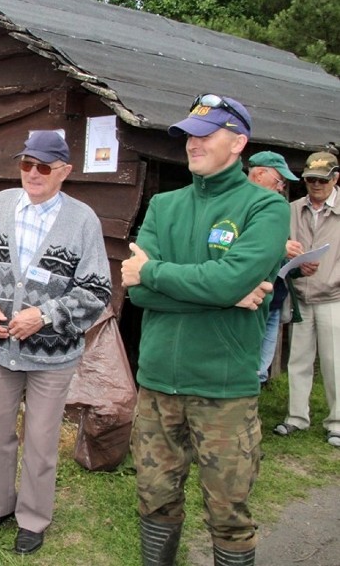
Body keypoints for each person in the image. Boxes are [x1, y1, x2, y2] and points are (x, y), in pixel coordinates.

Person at [121, 95, 290, 566]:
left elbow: (171, 280)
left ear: (238, 142)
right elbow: (137, 294)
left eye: (206, 134)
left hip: (224, 388)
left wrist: (160, 274)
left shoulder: (265, 208)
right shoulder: (163, 204)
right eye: (189, 136)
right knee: (154, 497)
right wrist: (221, 290)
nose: (192, 144)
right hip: (156, 384)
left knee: (228, 511)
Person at [0, 130, 111, 555]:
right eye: (27, 164)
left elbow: (97, 292)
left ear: (64, 172)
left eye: (44, 167)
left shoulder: (82, 220)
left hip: (52, 356)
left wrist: (45, 316)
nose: (33, 174)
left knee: (42, 440)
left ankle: (33, 518)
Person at [273, 151, 340, 448]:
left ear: (336, 178)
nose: (315, 185)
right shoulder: (292, 209)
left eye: (322, 180)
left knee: (334, 362)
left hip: (333, 296)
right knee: (297, 360)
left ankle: (336, 422)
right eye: (311, 179)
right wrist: (291, 256)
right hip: (299, 297)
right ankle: (297, 417)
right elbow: (278, 246)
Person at [246, 151, 300, 387]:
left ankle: (250, 418)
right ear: (259, 175)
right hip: (247, 303)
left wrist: (299, 266)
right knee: (245, 369)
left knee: (259, 371)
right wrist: (280, 247)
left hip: (273, 301)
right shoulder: (237, 206)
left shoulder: (274, 209)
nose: (281, 188)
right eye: (279, 181)